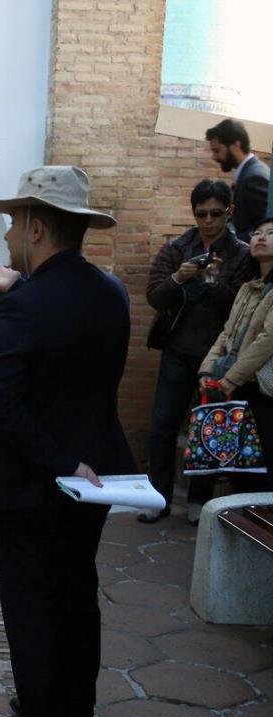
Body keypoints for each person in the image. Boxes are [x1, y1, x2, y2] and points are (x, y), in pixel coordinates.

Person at [0, 166, 136, 717]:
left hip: (35, 481)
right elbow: (71, 361)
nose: (9, 234)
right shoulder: (109, 291)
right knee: (75, 593)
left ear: (37, 227)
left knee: (32, 607)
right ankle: (72, 714)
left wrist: (63, 462)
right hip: (95, 479)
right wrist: (12, 297)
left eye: (14, 222)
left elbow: (3, 400)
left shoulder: (29, 305)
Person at [142, 180, 254, 524]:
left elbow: (244, 308)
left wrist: (215, 283)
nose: (208, 220)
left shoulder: (243, 254)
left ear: (229, 212)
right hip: (178, 347)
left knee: (209, 428)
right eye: (201, 213)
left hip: (220, 355)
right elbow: (155, 297)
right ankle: (157, 498)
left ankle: (198, 501)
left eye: (215, 213)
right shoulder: (178, 248)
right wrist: (178, 277)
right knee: (162, 425)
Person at [198, 217, 273, 499]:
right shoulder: (247, 287)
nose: (261, 237)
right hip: (234, 386)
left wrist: (229, 379)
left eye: (271, 233)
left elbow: (267, 341)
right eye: (257, 233)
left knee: (261, 469)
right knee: (238, 467)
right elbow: (226, 334)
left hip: (261, 390)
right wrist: (206, 373)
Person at [206, 118, 269, 244]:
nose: (214, 157)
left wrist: (229, 245)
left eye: (217, 150)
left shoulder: (255, 177)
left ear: (236, 145)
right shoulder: (247, 173)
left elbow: (265, 227)